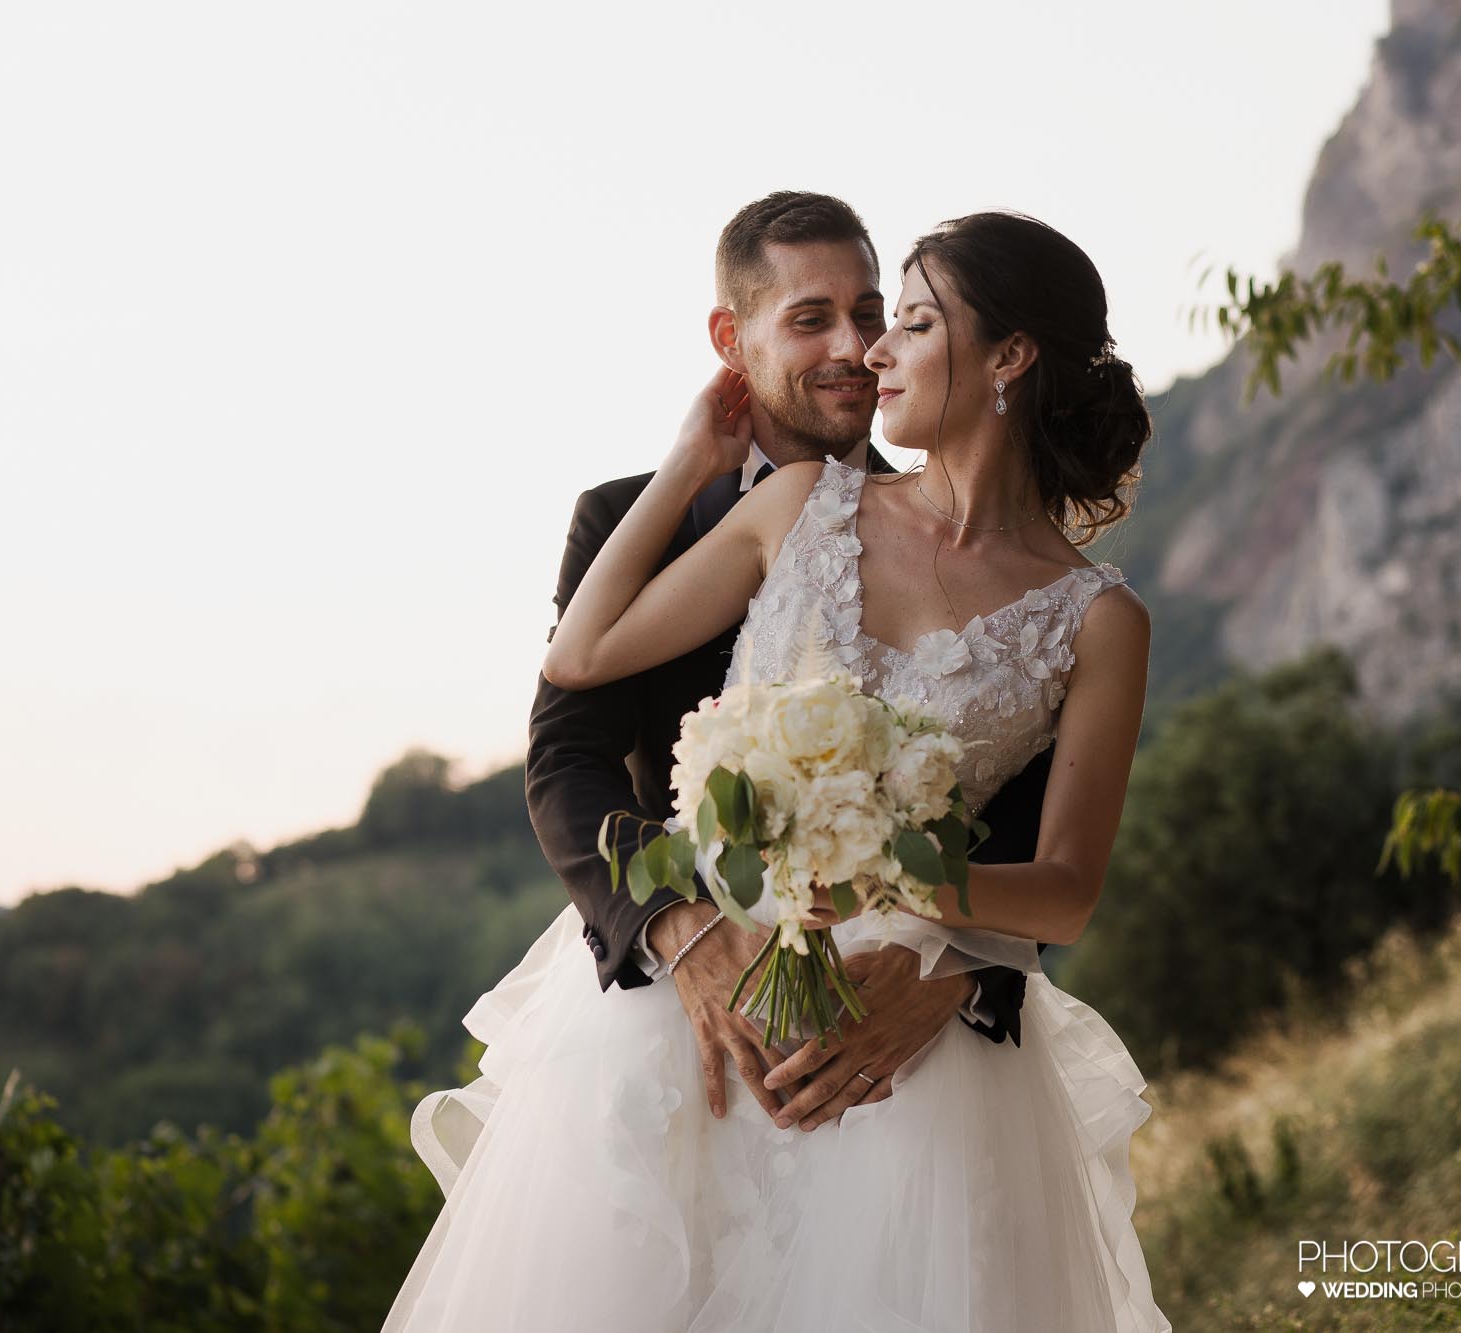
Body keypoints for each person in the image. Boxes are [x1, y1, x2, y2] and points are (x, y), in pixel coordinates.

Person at [383, 204, 1169, 1332]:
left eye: (889, 319)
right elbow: (572, 719)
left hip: (905, 1034)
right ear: (736, 336)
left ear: (1006, 357)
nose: (863, 350)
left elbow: (1055, 877)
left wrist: (924, 934)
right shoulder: (791, 505)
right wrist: (685, 929)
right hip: (676, 994)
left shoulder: (1095, 617)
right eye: (824, 320)